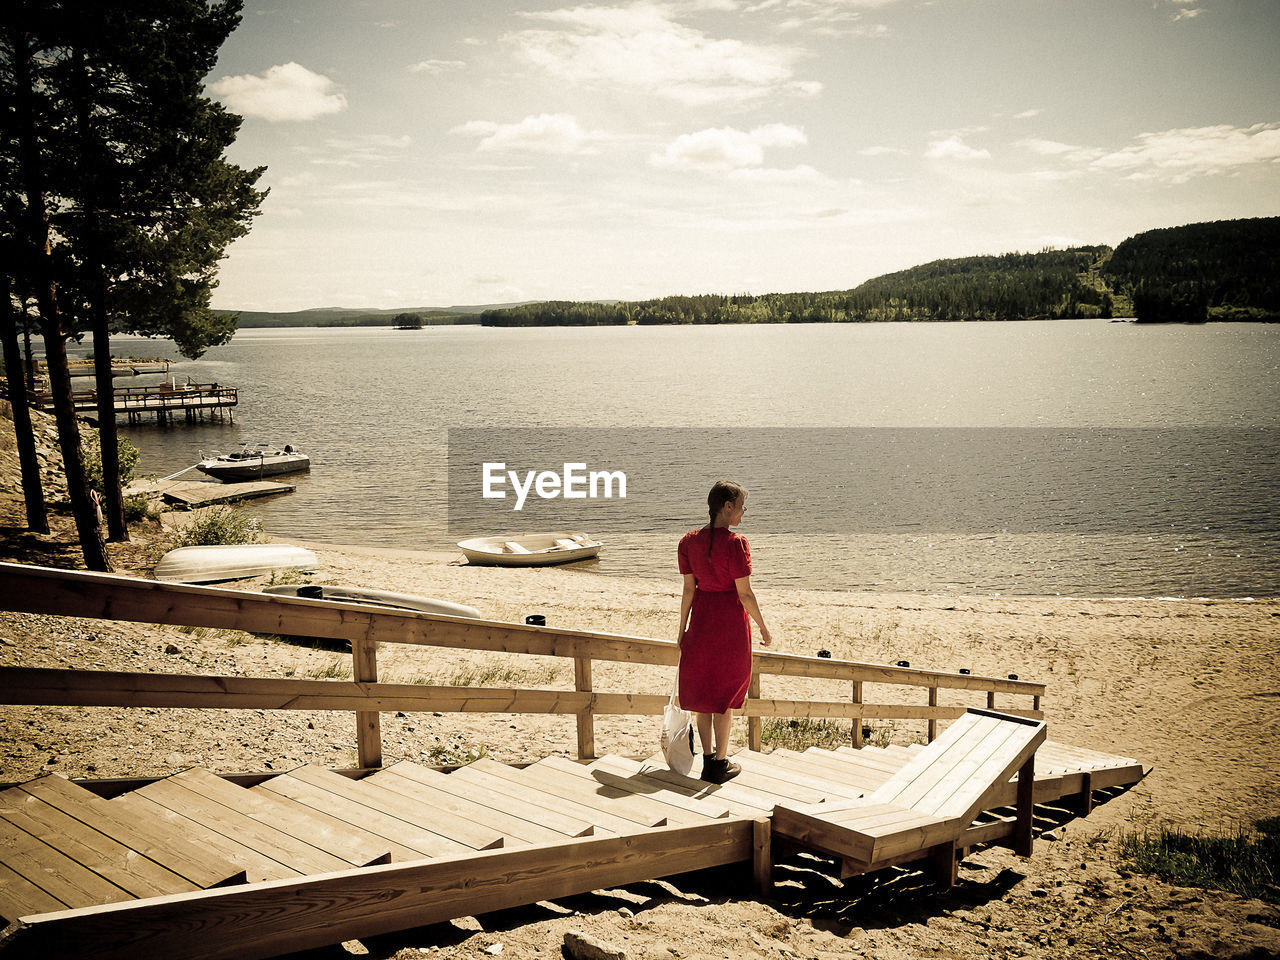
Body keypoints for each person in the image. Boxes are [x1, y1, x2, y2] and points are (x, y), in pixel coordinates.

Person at [676, 480, 772, 784]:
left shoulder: (688, 542)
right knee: (725, 697)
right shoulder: (736, 544)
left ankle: (707, 760)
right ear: (727, 506)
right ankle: (720, 761)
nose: (743, 512)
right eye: (741, 505)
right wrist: (764, 628)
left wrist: (681, 630)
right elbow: (745, 595)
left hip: (701, 623)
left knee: (705, 697)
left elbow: (688, 590)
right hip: (729, 624)